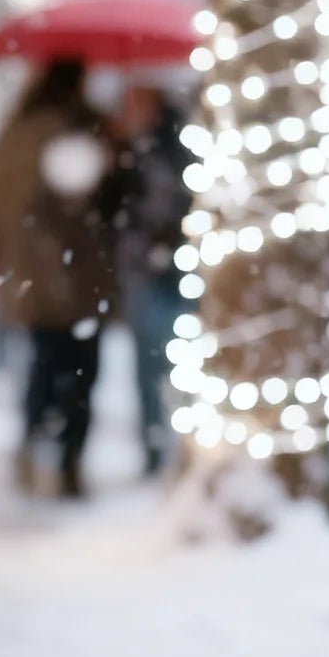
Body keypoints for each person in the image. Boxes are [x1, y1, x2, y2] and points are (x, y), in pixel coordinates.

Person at [0, 57, 120, 498]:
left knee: (43, 365)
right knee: (80, 371)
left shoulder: (15, 132)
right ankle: (70, 460)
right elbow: (90, 201)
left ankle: (33, 445)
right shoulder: (77, 134)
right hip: (76, 273)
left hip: (31, 274)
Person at [112, 83, 192, 475]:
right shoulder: (142, 151)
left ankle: (161, 443)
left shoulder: (149, 154)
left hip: (163, 268)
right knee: (156, 362)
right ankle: (159, 443)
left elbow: (141, 212)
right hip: (161, 267)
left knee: (156, 362)